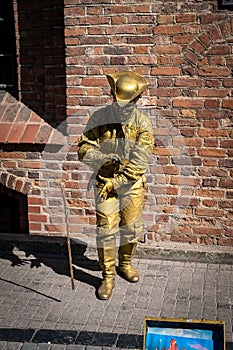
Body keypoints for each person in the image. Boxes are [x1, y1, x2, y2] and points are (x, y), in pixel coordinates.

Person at [78, 71, 153, 300]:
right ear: (112, 95)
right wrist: (102, 159)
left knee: (131, 228)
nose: (122, 109)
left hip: (130, 184)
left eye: (128, 105)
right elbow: (83, 148)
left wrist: (117, 182)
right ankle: (107, 277)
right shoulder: (99, 118)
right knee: (106, 231)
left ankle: (125, 263)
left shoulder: (143, 125)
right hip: (103, 183)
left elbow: (139, 164)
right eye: (118, 103)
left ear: (136, 102)